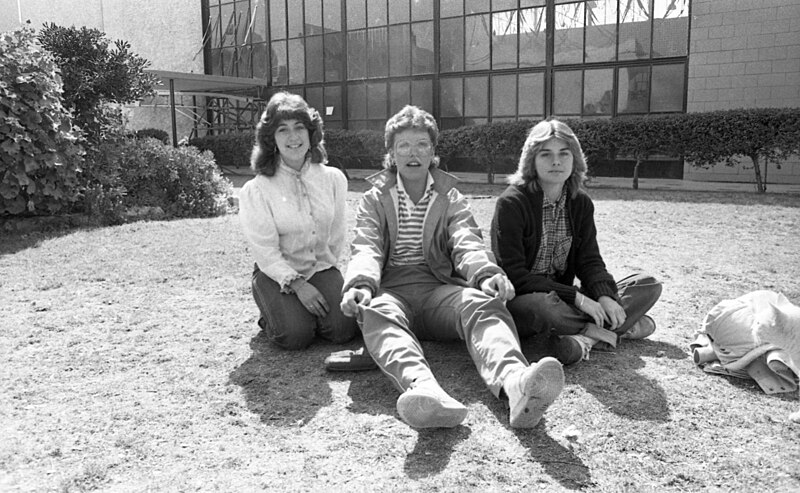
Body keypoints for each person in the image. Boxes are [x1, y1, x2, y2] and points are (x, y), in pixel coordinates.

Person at [338, 105, 565, 429]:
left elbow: (465, 239)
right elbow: (367, 244)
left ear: (433, 151)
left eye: (421, 145)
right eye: (403, 145)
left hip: (437, 288)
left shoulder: (450, 196)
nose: (413, 153)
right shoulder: (375, 198)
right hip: (390, 289)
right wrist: (361, 284)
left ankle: (517, 385)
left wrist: (485, 274)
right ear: (391, 152)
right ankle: (425, 392)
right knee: (376, 311)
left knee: (481, 303)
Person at [491, 119, 662, 365]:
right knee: (546, 307)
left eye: (564, 153)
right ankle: (617, 328)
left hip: (565, 300)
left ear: (575, 159)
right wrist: (580, 299)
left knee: (648, 284)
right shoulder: (512, 203)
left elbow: (589, 260)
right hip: (527, 301)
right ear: (531, 161)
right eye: (545, 154)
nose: (556, 161)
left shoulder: (580, 203)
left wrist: (603, 296)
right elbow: (514, 275)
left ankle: (585, 339)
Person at [239, 92, 357, 349]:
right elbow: (265, 250)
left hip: (320, 267)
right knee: (295, 336)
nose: (293, 137)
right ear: (271, 139)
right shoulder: (256, 189)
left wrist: (328, 279)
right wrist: (298, 285)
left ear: (311, 132)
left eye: (299, 127)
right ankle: (273, 313)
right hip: (276, 271)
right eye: (283, 130)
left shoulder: (333, 179)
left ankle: (301, 314)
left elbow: (336, 237)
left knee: (344, 330)